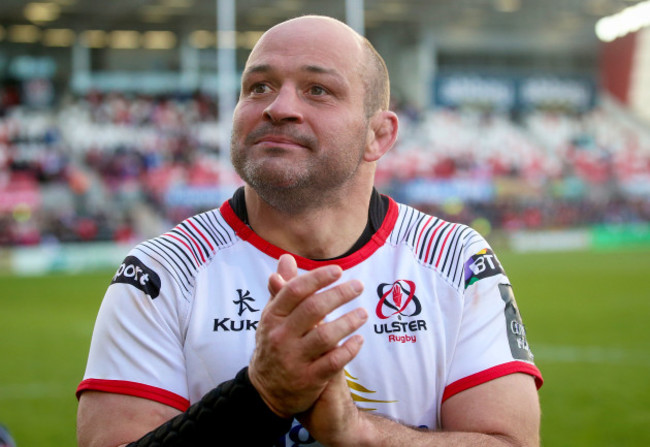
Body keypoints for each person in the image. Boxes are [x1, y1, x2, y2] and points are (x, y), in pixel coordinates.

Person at [76, 15, 543, 447]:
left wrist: (361, 432)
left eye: (317, 90)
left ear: (377, 135)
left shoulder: (455, 259)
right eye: (258, 86)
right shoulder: (162, 272)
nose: (278, 108)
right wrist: (260, 396)